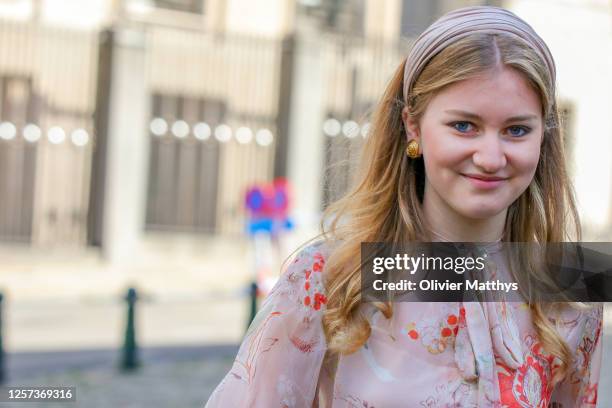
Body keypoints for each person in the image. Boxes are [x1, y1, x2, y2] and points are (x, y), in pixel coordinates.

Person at [205, 5, 603, 407]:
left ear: (544, 136)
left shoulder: (571, 282)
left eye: (516, 130)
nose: (491, 157)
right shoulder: (333, 276)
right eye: (464, 126)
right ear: (413, 125)